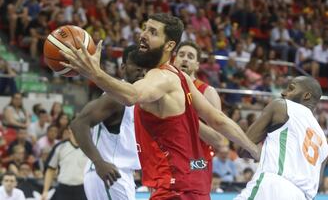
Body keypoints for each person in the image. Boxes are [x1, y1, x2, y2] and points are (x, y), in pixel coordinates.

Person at [60, 13, 259, 199]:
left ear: (169, 45)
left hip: (173, 188)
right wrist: (252, 149)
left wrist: (94, 73)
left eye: (153, 32)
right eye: (145, 28)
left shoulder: (160, 77)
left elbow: (131, 95)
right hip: (194, 185)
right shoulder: (180, 77)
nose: (143, 35)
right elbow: (218, 119)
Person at [70, 45, 146, 200]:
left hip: (122, 174)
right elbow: (78, 124)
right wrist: (99, 162)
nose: (141, 70)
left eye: (145, 65)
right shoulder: (116, 97)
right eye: (136, 65)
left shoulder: (142, 98)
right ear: (123, 68)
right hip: (110, 172)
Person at [235, 76, 328, 200]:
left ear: (306, 96)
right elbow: (317, 184)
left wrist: (261, 153)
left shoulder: (282, 106)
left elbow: (243, 148)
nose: (283, 92)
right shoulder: (324, 143)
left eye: (290, 88)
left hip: (274, 187)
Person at [173, 40, 224, 193]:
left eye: (190, 56)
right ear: (174, 60)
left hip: (196, 164)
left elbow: (218, 139)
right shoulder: (164, 88)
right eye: (181, 55)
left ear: (196, 65)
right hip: (167, 164)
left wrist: (188, 118)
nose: (185, 59)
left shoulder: (208, 92)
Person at [41, 128, 88, 200]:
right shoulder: (60, 147)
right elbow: (50, 170)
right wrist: (45, 191)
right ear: (70, 130)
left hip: (83, 189)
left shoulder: (89, 148)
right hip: (63, 188)